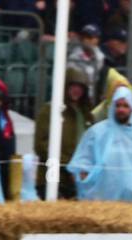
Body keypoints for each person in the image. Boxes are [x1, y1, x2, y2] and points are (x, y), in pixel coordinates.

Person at [68, 86, 132, 202]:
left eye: (125, 106)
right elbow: (81, 164)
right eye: (118, 105)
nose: (121, 109)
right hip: (103, 200)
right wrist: (87, 184)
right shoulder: (97, 132)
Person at [34, 67, 92, 198]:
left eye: (80, 87)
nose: (77, 90)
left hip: (78, 180)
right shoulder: (50, 110)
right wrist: (68, 164)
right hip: (52, 177)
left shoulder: (86, 115)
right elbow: (41, 145)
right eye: (73, 86)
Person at [69, 24, 106, 91]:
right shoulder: (73, 56)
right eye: (85, 37)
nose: (88, 40)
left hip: (95, 92)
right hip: (79, 92)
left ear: (97, 40)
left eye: (91, 37)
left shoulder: (100, 56)